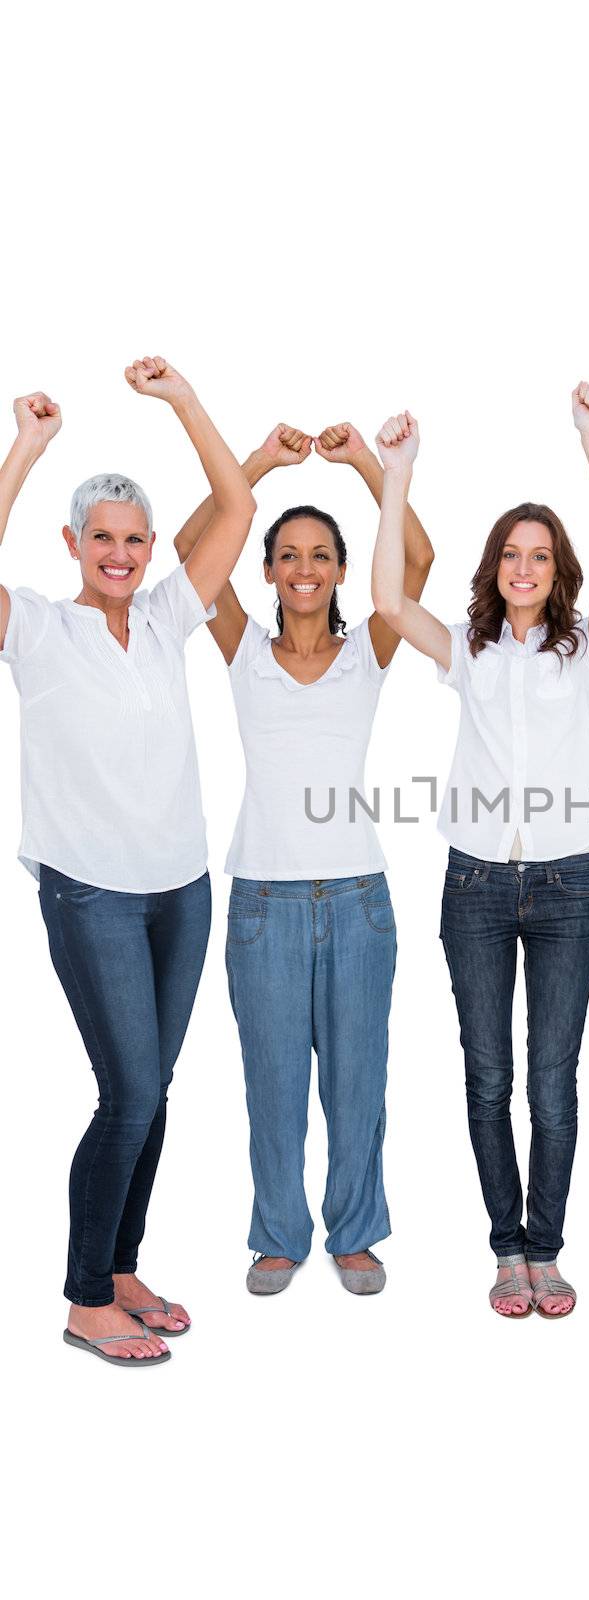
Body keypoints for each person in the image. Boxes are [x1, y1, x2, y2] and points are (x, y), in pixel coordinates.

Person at [0, 357, 256, 1366]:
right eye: (99, 537)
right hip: (92, 894)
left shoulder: (164, 616)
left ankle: (118, 1267)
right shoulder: (37, 628)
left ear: (152, 549)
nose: (117, 552)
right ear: (72, 543)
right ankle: (81, 1299)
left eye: (133, 539)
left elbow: (235, 505)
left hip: (180, 892)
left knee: (156, 1086)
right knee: (129, 1092)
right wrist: (28, 446)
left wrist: (185, 401)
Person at [370, 384, 589, 1318]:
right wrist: (397, 473)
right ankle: (504, 1249)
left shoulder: (583, 650)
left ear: (555, 568)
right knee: (489, 1074)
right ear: (494, 567)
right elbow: (388, 597)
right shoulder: (467, 650)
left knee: (554, 1078)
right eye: (512, 555)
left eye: (541, 555)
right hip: (475, 884)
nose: (526, 567)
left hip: (566, 886)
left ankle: (548, 1248)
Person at [173, 420, 433, 1296]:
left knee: (358, 1085)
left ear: (341, 571)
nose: (306, 568)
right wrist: (257, 467)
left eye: (322, 554)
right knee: (273, 1083)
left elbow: (422, 562)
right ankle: (279, 1233)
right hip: (263, 903)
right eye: (289, 554)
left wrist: (368, 461)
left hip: (358, 897)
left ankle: (355, 1232)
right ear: (268, 571)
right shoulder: (244, 648)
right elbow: (184, 547)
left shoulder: (371, 648)